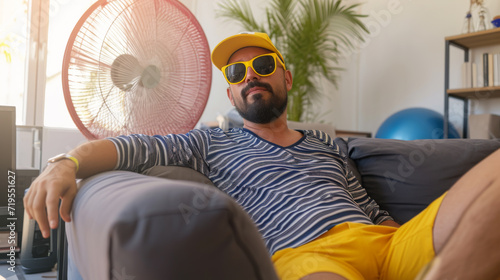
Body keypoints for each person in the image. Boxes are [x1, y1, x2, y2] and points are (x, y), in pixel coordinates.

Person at [24, 32, 500, 280]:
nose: (251, 75)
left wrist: (414, 238)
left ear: (286, 78)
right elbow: (133, 147)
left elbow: (369, 206)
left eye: (263, 65)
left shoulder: (329, 146)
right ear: (231, 92)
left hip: (387, 243)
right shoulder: (209, 143)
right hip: (305, 258)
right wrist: (64, 162)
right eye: (238, 71)